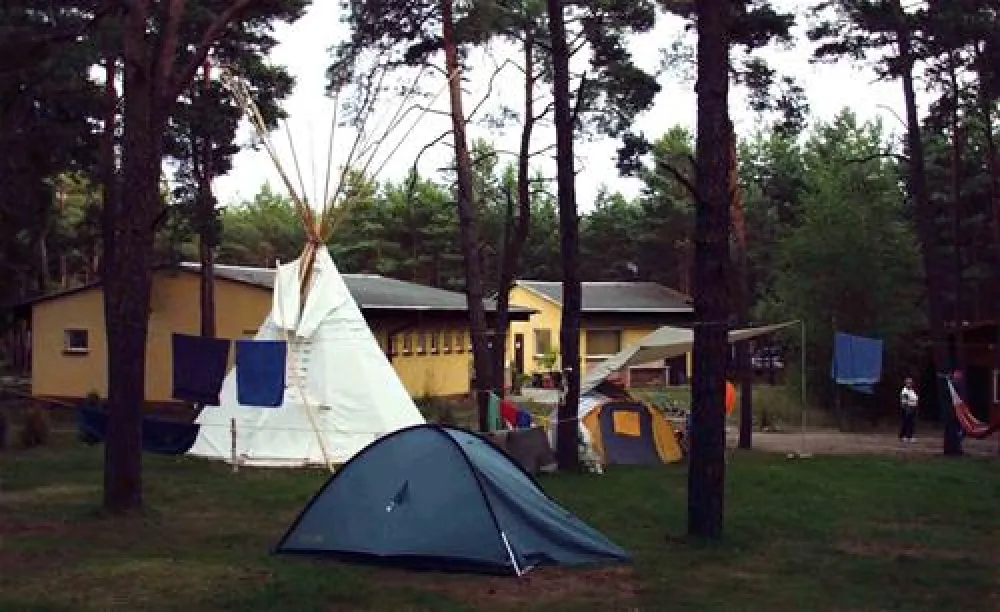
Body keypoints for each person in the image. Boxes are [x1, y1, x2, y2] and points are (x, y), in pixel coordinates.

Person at [899, 377, 918, 443]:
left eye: (910, 383)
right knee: (906, 422)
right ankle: (904, 436)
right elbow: (904, 401)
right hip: (907, 408)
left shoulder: (912, 390)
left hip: (913, 408)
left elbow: (915, 398)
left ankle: (909, 436)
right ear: (906, 383)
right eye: (908, 383)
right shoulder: (905, 391)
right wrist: (907, 409)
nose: (910, 384)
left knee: (911, 423)